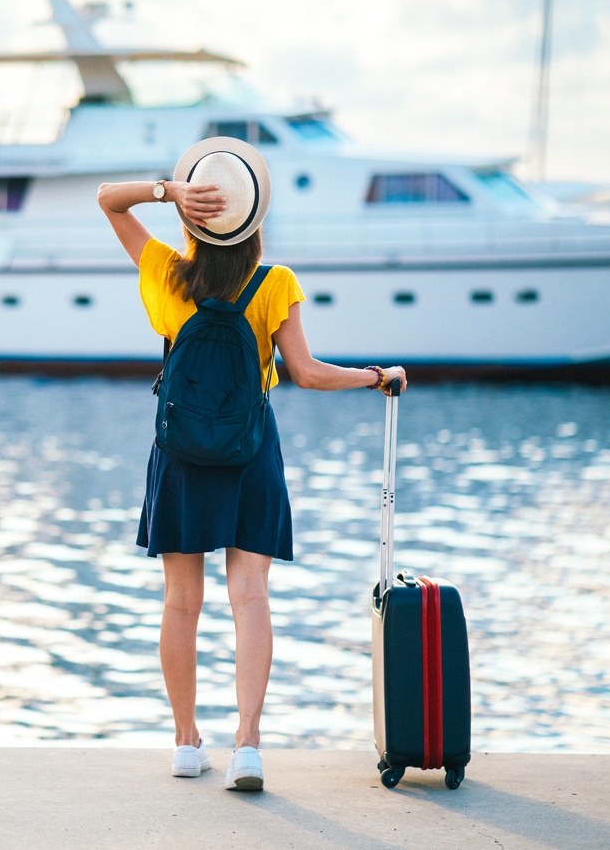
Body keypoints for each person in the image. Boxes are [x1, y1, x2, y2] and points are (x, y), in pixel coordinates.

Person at [97, 137, 407, 792]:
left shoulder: (162, 272)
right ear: (255, 217)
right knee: (251, 598)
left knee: (182, 603)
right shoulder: (276, 283)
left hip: (179, 453)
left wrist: (164, 192)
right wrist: (376, 376)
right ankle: (247, 746)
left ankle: (186, 743)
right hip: (250, 453)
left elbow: (105, 200)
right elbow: (307, 374)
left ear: (192, 216)